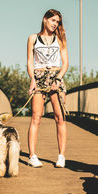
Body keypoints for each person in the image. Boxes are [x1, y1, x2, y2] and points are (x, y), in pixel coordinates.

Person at [26, 9, 69, 168]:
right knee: (36, 117)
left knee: (60, 117)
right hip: (38, 76)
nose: (55, 24)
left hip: (56, 77)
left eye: (57, 22)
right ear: (45, 19)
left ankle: (61, 156)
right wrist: (32, 80)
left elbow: (65, 63)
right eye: (53, 20)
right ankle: (32, 156)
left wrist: (58, 79)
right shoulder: (33, 38)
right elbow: (30, 61)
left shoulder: (60, 39)